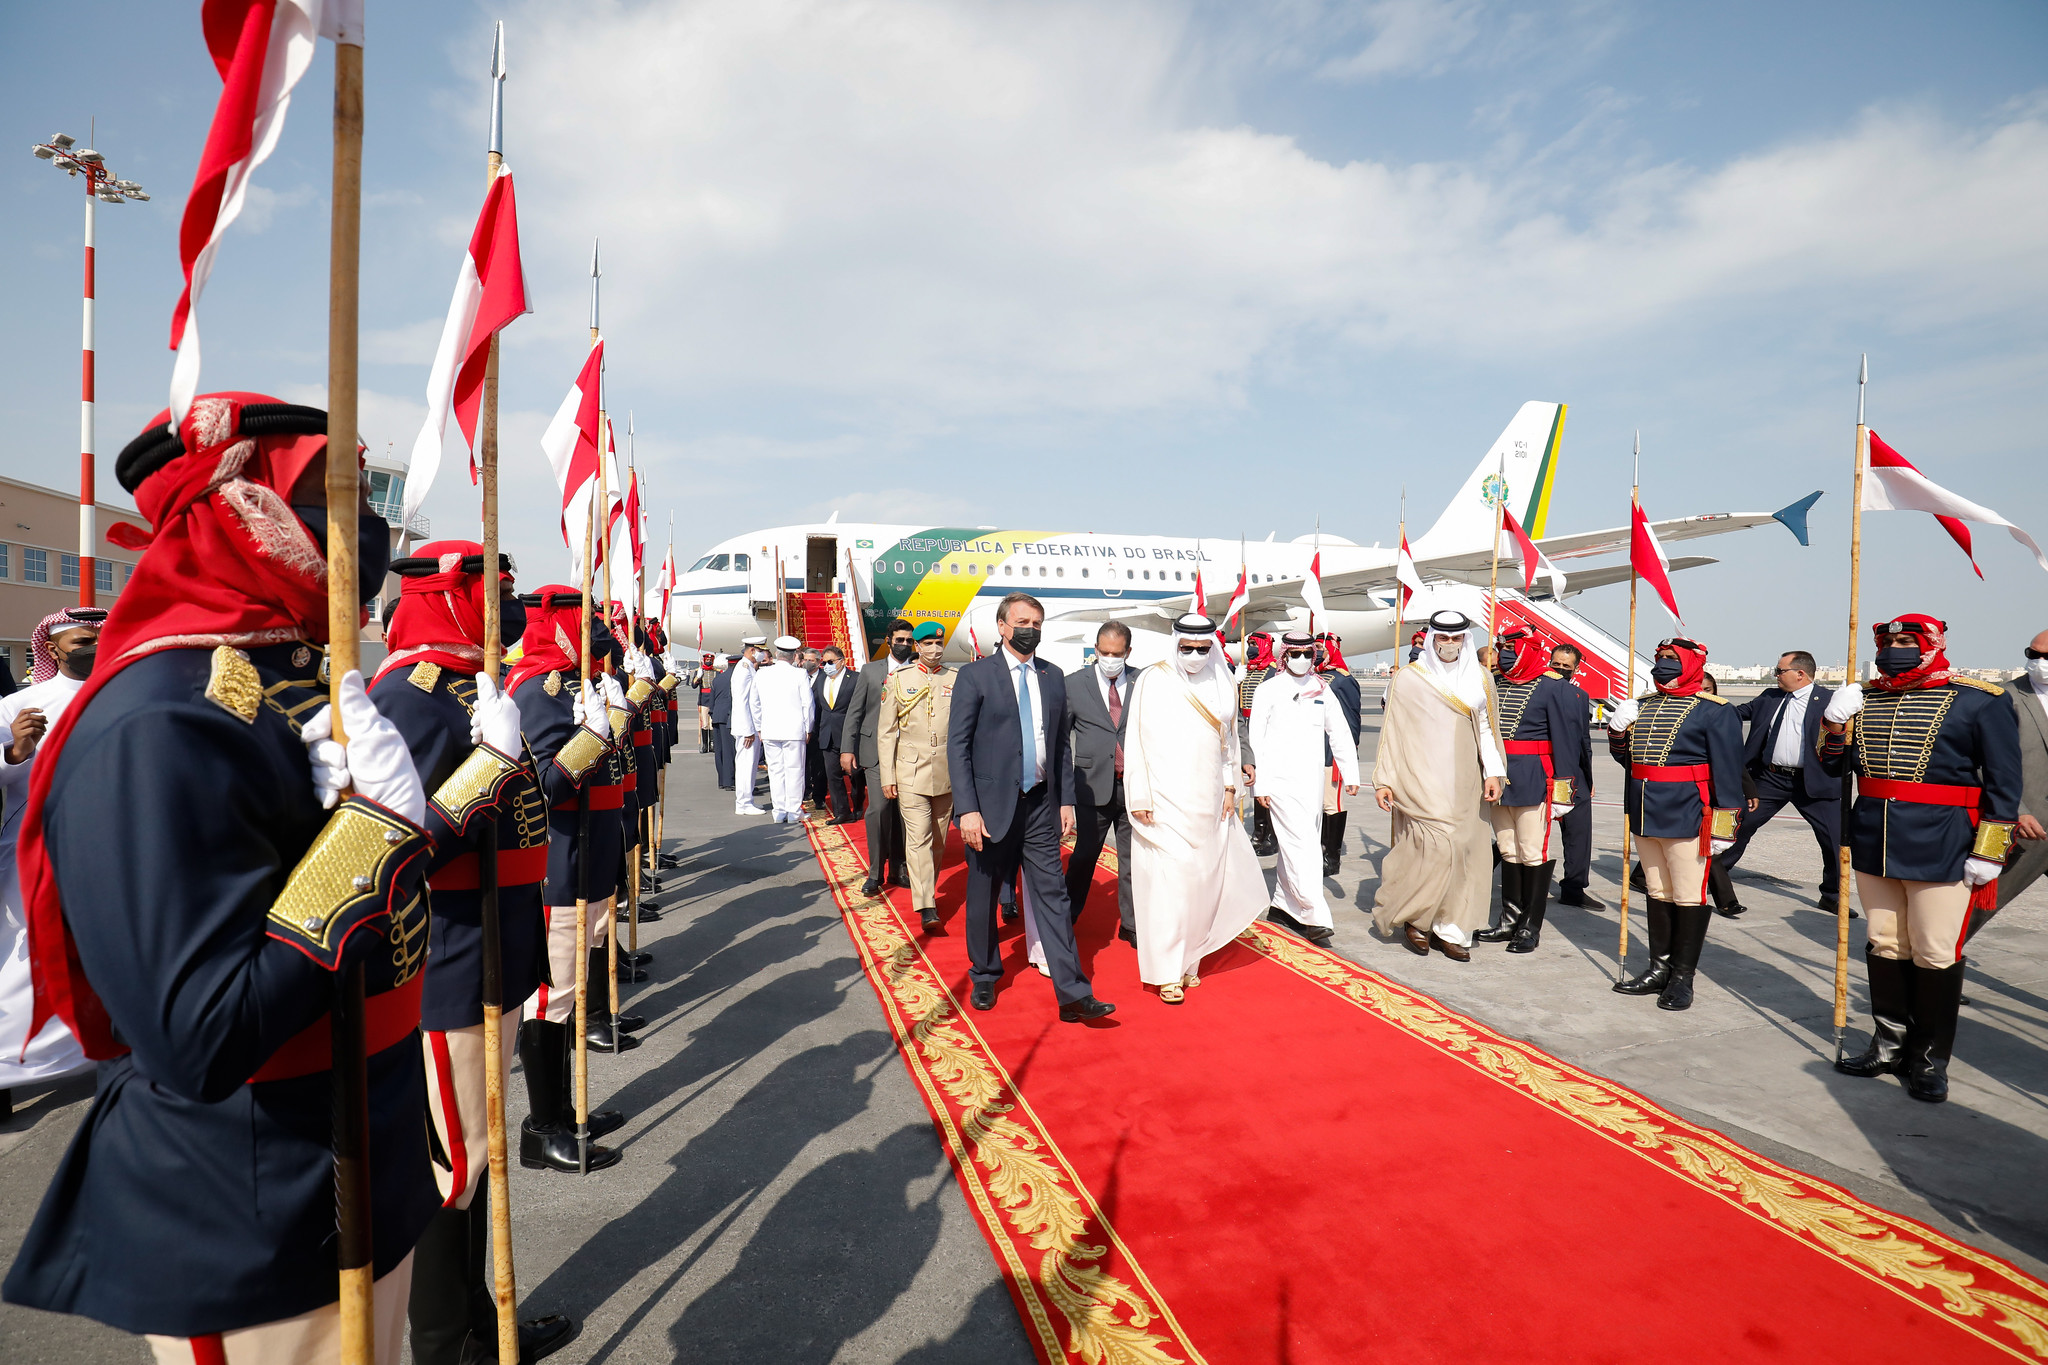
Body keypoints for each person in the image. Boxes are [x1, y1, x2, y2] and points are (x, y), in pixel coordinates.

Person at [2, 395, 437, 1361]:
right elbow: (200, 1031)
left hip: (360, 1159)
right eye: (336, 492)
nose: (363, 522)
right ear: (244, 510)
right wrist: (372, 837)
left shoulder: (284, 681)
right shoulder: (159, 719)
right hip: (256, 1208)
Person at [368, 546, 572, 1364]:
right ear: (449, 599)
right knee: (453, 1167)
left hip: (497, 946)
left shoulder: (472, 687)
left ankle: (484, 1322)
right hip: (448, 959)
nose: (507, 608)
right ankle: (445, 1345)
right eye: (495, 593)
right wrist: (488, 764)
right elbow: (395, 850)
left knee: (479, 1156)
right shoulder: (410, 696)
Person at [1823, 614, 2021, 1103]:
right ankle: (1888, 1044)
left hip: (1945, 844)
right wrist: (1833, 723)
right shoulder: (1865, 699)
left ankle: (1929, 1058)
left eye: (1906, 641)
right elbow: (1832, 767)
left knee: (1934, 949)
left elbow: (2003, 783)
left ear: (1933, 645)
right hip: (1875, 840)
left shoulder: (1978, 701)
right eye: (1887, 641)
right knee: (1886, 942)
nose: (1895, 648)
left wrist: (1990, 852)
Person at [947, 593, 1114, 1021]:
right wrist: (967, 808)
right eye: (1023, 622)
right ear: (1002, 626)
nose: (1031, 630)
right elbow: (959, 747)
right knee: (983, 892)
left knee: (1053, 895)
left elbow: (1059, 743)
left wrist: (1064, 801)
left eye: (1037, 623)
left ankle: (1073, 992)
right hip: (988, 807)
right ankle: (985, 972)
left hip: (1040, 803)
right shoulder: (975, 676)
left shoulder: (1052, 676)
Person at [511, 590, 642, 1092]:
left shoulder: (578, 685)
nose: (600, 630)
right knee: (554, 992)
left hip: (595, 846)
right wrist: (593, 735)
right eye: (586, 619)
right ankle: (545, 1126)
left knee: (576, 976)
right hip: (562, 859)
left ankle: (565, 1112)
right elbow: (547, 786)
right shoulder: (541, 690)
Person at [1125, 615, 1265, 1002]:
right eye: (1187, 648)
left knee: (1202, 884)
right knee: (1171, 884)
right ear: (1175, 644)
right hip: (1164, 799)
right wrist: (1140, 796)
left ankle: (1189, 962)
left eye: (1203, 649)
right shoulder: (1154, 679)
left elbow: (1228, 744)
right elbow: (1136, 740)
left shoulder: (1221, 681)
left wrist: (1230, 787)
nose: (1195, 655)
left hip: (1207, 799)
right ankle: (1166, 971)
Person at [0, 609, 106, 1114]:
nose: (94, 645)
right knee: (31, 949)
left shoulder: (121, 687)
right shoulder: (21, 704)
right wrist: (16, 751)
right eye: (84, 639)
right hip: (38, 839)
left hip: (110, 836)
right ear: (54, 648)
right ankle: (5, 1066)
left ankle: (99, 1047)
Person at [1604, 636, 1744, 1011]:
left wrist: (1724, 825)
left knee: (1686, 895)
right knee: (1657, 892)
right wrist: (1618, 732)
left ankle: (1683, 977)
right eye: (1660, 657)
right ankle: (1658, 968)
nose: (1662, 663)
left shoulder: (1714, 710)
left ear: (1691, 664)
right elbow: (1630, 762)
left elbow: (1728, 774)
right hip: (1645, 812)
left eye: (1672, 658)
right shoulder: (1645, 705)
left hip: (1688, 813)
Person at [1369, 612, 1504, 960]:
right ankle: (1417, 919)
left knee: (1465, 851)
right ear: (1432, 638)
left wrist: (1493, 772)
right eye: (1442, 638)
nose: (1449, 644)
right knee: (1431, 846)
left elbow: (1488, 730)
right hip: (1419, 776)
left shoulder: (1481, 678)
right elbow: (1392, 733)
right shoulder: (1408, 679)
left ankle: (1452, 928)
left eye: (1456, 638)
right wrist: (1385, 779)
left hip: (1465, 779)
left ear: (1465, 639)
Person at [1474, 624, 1588, 953]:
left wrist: (1563, 793)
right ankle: (1508, 919)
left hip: (1535, 778)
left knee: (1531, 851)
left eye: (1511, 648)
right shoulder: (1494, 683)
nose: (1505, 655)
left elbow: (1567, 745)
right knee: (1507, 849)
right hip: (1498, 776)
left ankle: (1529, 926)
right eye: (1502, 648)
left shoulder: (1555, 688)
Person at [1251, 631, 1361, 946]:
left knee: (1298, 844)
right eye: (1294, 655)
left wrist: (1350, 772)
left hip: (1311, 783)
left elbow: (1338, 732)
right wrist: (1261, 783)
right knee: (1305, 847)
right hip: (1279, 782)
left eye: (1307, 655)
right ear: (1283, 657)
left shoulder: (1322, 689)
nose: (1301, 660)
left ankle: (1284, 905)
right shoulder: (1268, 690)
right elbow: (1256, 739)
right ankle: (1315, 915)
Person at [1722, 651, 1842, 915]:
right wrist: (1705, 702)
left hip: (1815, 782)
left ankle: (1832, 895)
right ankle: (1716, 877)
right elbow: (1735, 713)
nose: (1775, 675)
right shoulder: (1769, 697)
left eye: (1780, 671)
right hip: (1771, 779)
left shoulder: (1830, 701)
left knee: (1834, 841)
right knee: (1739, 824)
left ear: (1800, 674)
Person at [878, 622, 956, 930]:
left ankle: (928, 889)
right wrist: (888, 775)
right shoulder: (899, 679)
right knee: (919, 836)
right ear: (917, 647)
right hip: (910, 771)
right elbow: (886, 732)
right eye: (927, 644)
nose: (934, 650)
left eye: (939, 644)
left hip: (946, 773)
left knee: (938, 840)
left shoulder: (956, 679)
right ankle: (926, 904)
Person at [1066, 622, 1136, 945]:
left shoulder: (1141, 682)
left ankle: (1132, 925)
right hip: (1091, 786)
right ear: (1095, 650)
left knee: (1132, 862)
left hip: (1132, 787)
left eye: (1116, 654)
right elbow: (1061, 741)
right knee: (1083, 857)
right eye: (1104, 653)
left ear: (1128, 653)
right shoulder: (1074, 685)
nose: (1110, 658)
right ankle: (1066, 919)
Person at [844, 619, 916, 897]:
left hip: (907, 754)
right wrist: (847, 749)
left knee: (903, 813)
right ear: (889, 641)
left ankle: (899, 868)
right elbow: (855, 712)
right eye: (900, 640)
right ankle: (875, 872)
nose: (905, 645)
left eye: (909, 641)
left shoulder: (917, 670)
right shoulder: (871, 671)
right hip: (874, 754)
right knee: (879, 809)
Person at [1992, 627, 2048, 916]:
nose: (2039, 662)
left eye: (2046, 656)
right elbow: (1982, 761)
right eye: (2033, 654)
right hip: (2017, 826)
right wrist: (2015, 809)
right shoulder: (2003, 698)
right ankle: (1932, 959)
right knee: (1977, 903)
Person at [1545, 644, 1604, 909]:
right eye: (1556, 664)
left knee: (1579, 834)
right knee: (1524, 834)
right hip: (1542, 769)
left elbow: (1584, 741)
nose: (1560, 670)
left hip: (1572, 776)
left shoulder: (1580, 696)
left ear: (1576, 669)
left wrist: (1588, 780)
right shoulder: (1537, 690)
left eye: (1566, 667)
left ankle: (1574, 888)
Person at [753, 635, 816, 823]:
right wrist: (808, 727)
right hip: (794, 730)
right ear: (794, 655)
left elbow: (754, 703)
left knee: (775, 770)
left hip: (770, 729)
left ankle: (779, 811)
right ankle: (794, 811)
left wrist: (759, 727)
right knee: (795, 770)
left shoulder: (762, 673)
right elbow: (808, 704)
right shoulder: (799, 674)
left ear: (777, 654)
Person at [1315, 634, 1363, 877]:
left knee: (1330, 803)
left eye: (1319, 648)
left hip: (1329, 750)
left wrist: (1349, 752)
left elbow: (1351, 717)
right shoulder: (1312, 676)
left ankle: (1330, 857)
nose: (1315, 652)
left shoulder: (1343, 680)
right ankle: (1317, 849)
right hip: (1310, 749)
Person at [1236, 631, 1278, 856]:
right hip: (1247, 728)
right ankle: (1259, 831)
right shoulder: (1248, 671)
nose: (1251, 647)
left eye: (1255, 644)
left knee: (1265, 782)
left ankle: (1269, 834)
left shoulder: (1273, 672)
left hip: (1265, 730)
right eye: (1249, 643)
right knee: (1254, 784)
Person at [813, 645, 861, 824]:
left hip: (849, 734)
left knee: (855, 775)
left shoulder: (855, 678)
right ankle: (842, 812)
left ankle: (857, 807)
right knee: (833, 775)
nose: (827, 666)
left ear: (842, 661)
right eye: (824, 662)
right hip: (827, 734)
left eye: (831, 662)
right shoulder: (821, 680)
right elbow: (818, 707)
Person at [730, 634, 769, 814]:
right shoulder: (743, 669)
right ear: (752, 650)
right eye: (760, 650)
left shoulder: (748, 668)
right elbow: (741, 701)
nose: (762, 654)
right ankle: (743, 803)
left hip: (751, 725)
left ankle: (748, 800)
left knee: (751, 765)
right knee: (746, 764)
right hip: (747, 727)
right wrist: (747, 730)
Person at [709, 652, 738, 789]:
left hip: (717, 715)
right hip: (729, 716)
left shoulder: (718, 678)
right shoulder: (736, 677)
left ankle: (722, 779)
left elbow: (712, 699)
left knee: (719, 750)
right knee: (729, 750)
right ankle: (729, 780)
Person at [697, 652, 717, 753]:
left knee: (711, 724)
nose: (708, 662)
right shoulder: (701, 671)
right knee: (704, 723)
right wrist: (698, 677)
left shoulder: (716, 672)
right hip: (704, 700)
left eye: (710, 660)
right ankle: (705, 745)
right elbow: (694, 685)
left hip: (713, 700)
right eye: (707, 660)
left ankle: (712, 744)